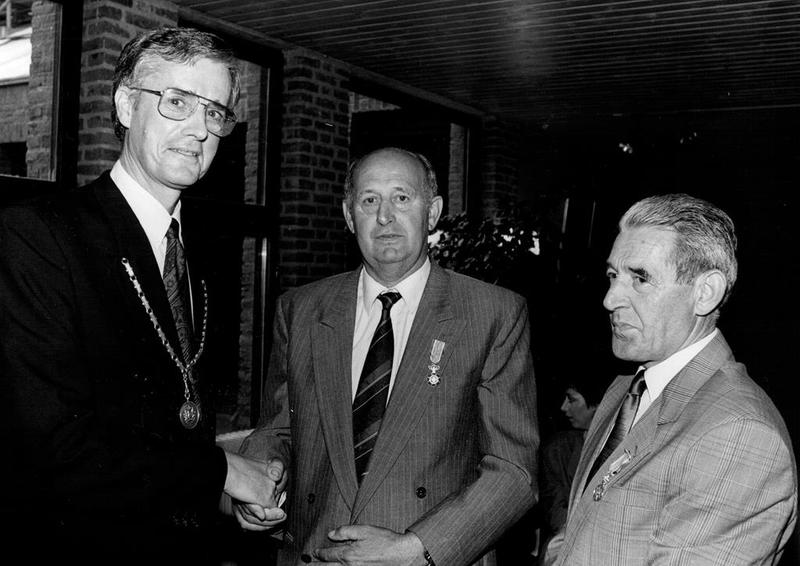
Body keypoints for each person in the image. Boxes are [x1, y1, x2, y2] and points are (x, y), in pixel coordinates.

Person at [0, 27, 281, 564]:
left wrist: (223, 498)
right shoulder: (41, 236)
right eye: (177, 102)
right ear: (127, 105)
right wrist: (221, 471)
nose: (199, 129)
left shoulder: (193, 256)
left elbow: (171, 422)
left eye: (215, 112)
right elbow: (52, 447)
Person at [235, 146, 539, 565]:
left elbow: (513, 471)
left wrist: (416, 549)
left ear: (432, 213)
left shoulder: (492, 314)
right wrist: (259, 477)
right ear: (349, 216)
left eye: (401, 197)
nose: (384, 216)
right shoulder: (301, 310)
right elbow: (279, 429)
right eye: (369, 200)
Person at [556, 193, 798, 565]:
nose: (610, 299)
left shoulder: (739, 433)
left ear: (705, 293)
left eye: (640, 278)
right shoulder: (625, 390)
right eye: (613, 276)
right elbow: (576, 535)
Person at [537, 372, 606, 566]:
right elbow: (555, 510)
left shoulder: (622, 446)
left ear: (597, 403)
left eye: (571, 399)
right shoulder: (557, 450)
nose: (563, 407)